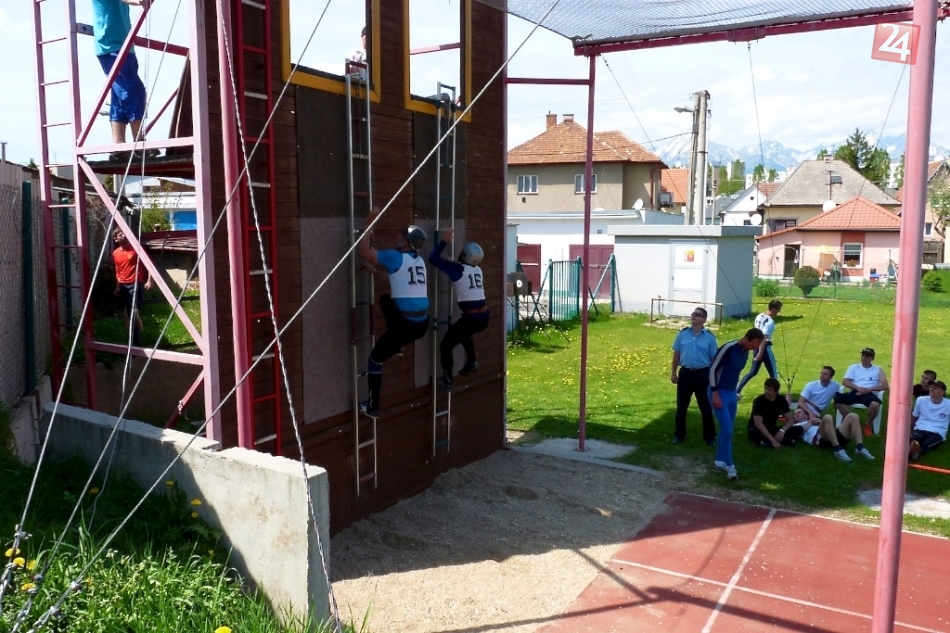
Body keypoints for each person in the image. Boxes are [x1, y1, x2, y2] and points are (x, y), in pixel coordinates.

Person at [357, 206, 429, 417]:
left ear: (405, 242)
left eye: (401, 236)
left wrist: (368, 224)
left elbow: (363, 251)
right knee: (387, 298)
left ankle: (373, 407)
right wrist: (374, 272)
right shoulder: (419, 262)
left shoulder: (394, 257)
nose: (398, 237)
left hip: (405, 326)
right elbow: (395, 282)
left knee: (375, 360)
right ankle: (397, 345)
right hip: (421, 324)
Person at [91, 0, 160, 162]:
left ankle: (118, 147)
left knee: (119, 97)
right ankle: (139, 142)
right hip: (111, 47)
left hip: (123, 46)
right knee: (134, 90)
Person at [428, 228, 488, 391]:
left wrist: (444, 242)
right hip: (483, 317)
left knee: (445, 346)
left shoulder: (458, 269)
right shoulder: (477, 269)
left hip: (471, 318)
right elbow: (462, 271)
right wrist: (451, 262)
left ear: (464, 255)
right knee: (464, 332)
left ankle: (448, 380)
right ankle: (471, 361)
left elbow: (433, 258)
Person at [708, 328, 765, 481]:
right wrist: (714, 393)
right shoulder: (729, 348)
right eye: (753, 346)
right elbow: (712, 369)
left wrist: (735, 393)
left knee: (727, 430)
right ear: (746, 338)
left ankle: (719, 461)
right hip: (719, 392)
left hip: (731, 393)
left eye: (756, 347)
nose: (753, 349)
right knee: (728, 431)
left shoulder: (745, 351)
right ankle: (730, 466)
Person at [669, 307, 718, 446]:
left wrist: (713, 377)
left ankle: (709, 437)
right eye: (693, 314)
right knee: (681, 405)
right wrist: (673, 372)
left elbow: (713, 359)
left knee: (705, 407)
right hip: (686, 374)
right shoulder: (682, 334)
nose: (693, 316)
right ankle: (679, 434)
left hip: (703, 375)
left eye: (697, 314)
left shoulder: (709, 337)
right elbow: (676, 355)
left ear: (704, 319)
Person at [834, 347, 889, 436]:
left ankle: (867, 425)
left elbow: (885, 386)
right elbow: (845, 382)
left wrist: (868, 389)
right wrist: (858, 388)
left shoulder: (878, 369)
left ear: (872, 358)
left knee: (875, 405)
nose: (864, 358)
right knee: (838, 401)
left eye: (867, 356)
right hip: (855, 392)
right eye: (863, 355)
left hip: (869, 393)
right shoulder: (853, 367)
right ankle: (852, 422)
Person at [112, 227, 152, 346]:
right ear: (116, 239)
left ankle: (136, 344)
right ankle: (132, 340)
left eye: (125, 234)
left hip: (135, 284)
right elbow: (118, 270)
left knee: (132, 313)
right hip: (123, 285)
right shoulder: (115, 253)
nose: (123, 236)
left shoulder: (136, 249)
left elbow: (148, 264)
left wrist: (149, 281)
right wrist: (118, 286)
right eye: (120, 235)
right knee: (127, 314)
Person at [737, 300, 782, 396]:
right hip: (764, 348)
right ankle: (775, 395)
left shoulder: (759, 316)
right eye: (778, 309)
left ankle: (737, 391)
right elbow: (764, 338)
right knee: (774, 374)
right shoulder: (770, 322)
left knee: (752, 372)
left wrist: (757, 351)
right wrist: (760, 353)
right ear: (773, 309)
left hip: (756, 347)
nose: (779, 312)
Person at [794, 408, 874, 462]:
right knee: (827, 417)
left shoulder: (813, 421)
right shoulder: (795, 426)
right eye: (794, 414)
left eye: (799, 412)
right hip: (821, 439)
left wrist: (820, 422)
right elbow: (798, 432)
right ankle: (838, 450)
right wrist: (812, 423)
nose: (796, 414)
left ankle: (859, 447)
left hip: (832, 435)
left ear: (806, 416)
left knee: (853, 415)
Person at [748, 378, 802, 448]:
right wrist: (773, 440)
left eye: (769, 390)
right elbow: (758, 424)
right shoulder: (758, 401)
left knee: (799, 429)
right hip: (759, 429)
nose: (766, 391)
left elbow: (790, 420)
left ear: (776, 392)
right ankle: (780, 441)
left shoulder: (781, 400)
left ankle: (767, 443)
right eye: (765, 388)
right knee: (753, 432)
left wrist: (782, 431)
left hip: (772, 428)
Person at [909, 380, 950, 461]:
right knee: (914, 438)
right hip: (920, 428)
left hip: (937, 432)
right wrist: (908, 430)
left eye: (935, 388)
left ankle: (914, 454)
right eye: (931, 388)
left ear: (942, 392)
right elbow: (914, 416)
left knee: (927, 444)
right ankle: (912, 453)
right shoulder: (921, 400)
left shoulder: (948, 404)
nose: (931, 389)